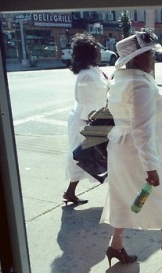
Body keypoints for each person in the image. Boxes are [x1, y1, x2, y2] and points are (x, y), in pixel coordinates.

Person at [100, 30, 162, 266]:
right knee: (159, 198)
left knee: (123, 198)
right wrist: (151, 167)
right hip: (138, 154)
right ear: (137, 58)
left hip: (122, 150)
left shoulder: (121, 79)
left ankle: (116, 245)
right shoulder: (139, 84)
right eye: (149, 53)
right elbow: (141, 130)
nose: (153, 57)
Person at [63, 33, 108, 205]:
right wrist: (95, 127)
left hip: (95, 118)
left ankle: (70, 192)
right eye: (96, 49)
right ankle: (70, 192)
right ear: (89, 53)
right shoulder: (86, 75)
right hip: (86, 121)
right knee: (82, 156)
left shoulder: (94, 70)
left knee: (88, 156)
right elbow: (87, 102)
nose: (100, 51)